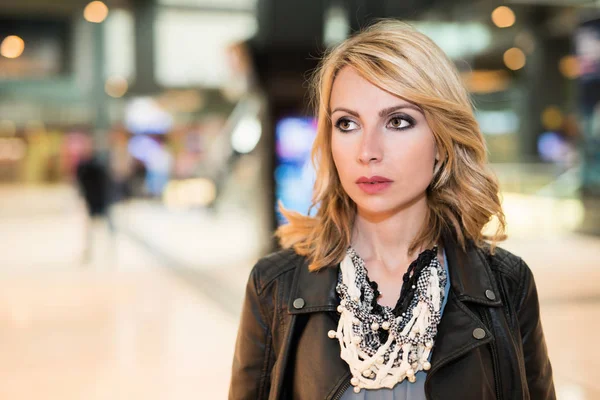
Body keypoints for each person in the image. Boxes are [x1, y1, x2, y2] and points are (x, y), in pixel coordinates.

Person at [229, 20, 555, 400]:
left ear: (442, 138)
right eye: (347, 123)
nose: (368, 151)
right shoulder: (275, 286)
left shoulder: (505, 282)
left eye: (398, 121)